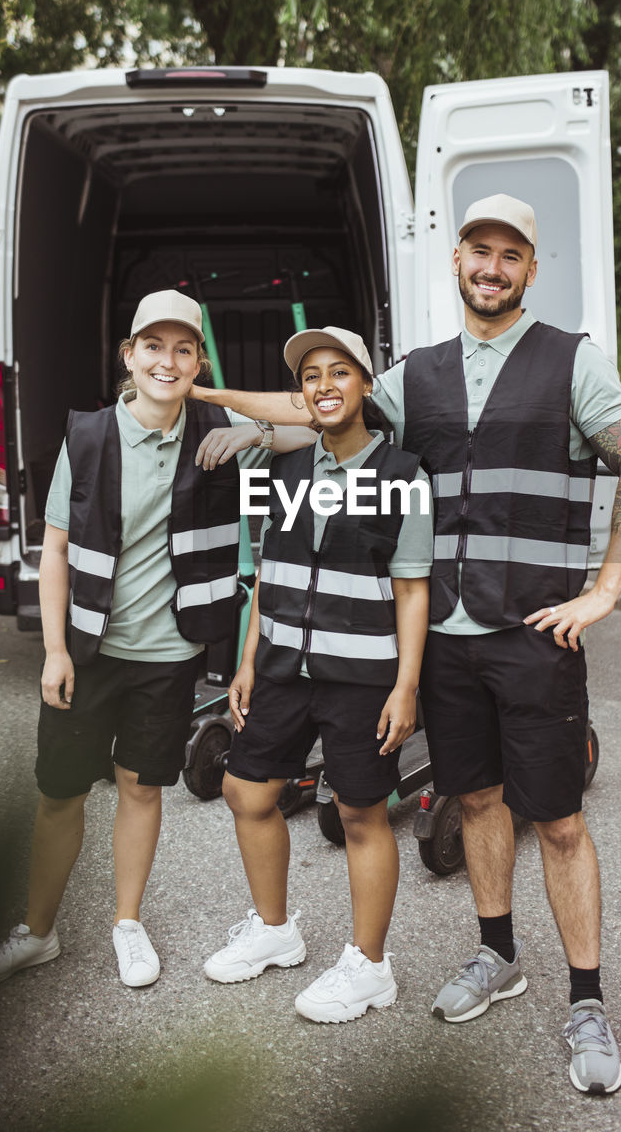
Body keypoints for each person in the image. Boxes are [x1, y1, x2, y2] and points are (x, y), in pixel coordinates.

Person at [191, 194, 621, 1092]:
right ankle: (496, 954)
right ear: (455, 261)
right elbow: (320, 406)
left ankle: (587, 1001)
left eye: (509, 255)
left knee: (558, 821)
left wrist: (605, 592)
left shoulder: (572, 361)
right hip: (443, 636)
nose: (491, 267)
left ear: (529, 268)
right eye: (477, 251)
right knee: (476, 800)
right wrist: (224, 407)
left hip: (533, 632)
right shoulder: (416, 374)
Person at [0, 290, 312, 989]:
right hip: (90, 650)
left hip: (169, 654)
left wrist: (245, 427)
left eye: (183, 348)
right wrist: (56, 650)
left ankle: (127, 923)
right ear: (129, 356)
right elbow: (57, 550)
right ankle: (38, 933)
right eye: (153, 347)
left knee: (140, 787)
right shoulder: (89, 436)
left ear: (198, 360)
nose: (168, 360)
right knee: (59, 793)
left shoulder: (217, 437)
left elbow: (320, 419)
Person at [202, 327, 432, 1023]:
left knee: (360, 814)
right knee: (246, 792)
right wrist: (246, 662)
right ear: (301, 395)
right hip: (279, 668)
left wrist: (405, 685)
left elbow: (412, 588)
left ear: (365, 386)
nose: (324, 385)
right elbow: (268, 573)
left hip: (362, 675)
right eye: (311, 376)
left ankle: (369, 967)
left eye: (339, 372)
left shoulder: (403, 477)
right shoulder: (290, 473)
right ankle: (275, 932)